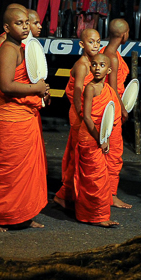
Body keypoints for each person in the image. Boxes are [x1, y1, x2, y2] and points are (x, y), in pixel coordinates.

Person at [0, 7, 48, 232]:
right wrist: (35, 88)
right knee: (3, 168)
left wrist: (39, 92)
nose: (25, 26)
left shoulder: (23, 47)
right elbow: (6, 86)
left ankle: (21, 215)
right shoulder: (7, 49)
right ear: (7, 28)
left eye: (26, 22)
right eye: (19, 23)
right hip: (9, 117)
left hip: (24, 116)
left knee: (23, 172)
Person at [53, 27, 99, 209]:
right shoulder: (82, 65)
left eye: (97, 41)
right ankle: (64, 194)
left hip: (87, 113)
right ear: (82, 44)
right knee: (77, 154)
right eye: (91, 42)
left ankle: (73, 194)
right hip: (80, 114)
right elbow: (78, 91)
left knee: (79, 155)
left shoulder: (94, 63)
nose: (95, 45)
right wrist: (83, 117)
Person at [76, 53, 120, 227]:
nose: (97, 68)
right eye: (94, 65)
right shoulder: (90, 88)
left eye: (101, 65)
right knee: (96, 178)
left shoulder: (108, 88)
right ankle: (97, 217)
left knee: (99, 177)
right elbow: (86, 117)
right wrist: (99, 139)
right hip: (89, 136)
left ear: (108, 70)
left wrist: (105, 137)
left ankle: (94, 214)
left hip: (100, 135)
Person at [101, 17, 130, 208]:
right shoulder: (111, 56)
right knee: (113, 153)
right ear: (124, 35)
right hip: (111, 106)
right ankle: (110, 194)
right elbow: (112, 89)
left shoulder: (106, 52)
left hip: (107, 105)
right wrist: (123, 110)